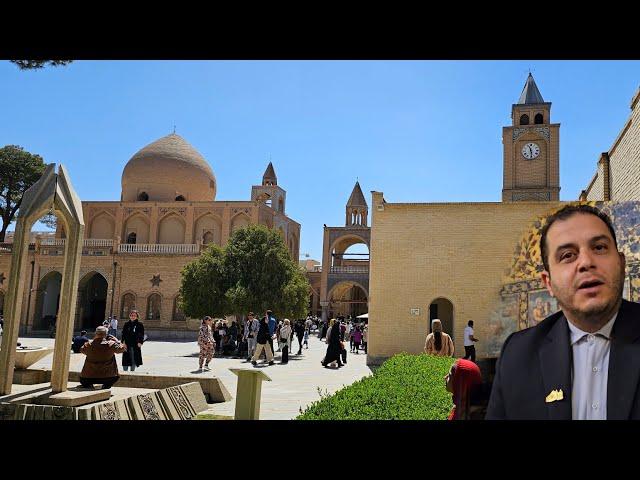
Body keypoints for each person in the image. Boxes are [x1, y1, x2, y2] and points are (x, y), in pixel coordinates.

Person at [487, 204, 640, 420]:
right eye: (568, 255)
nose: (586, 262)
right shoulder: (517, 356)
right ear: (548, 283)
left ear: (622, 264)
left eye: (599, 248)